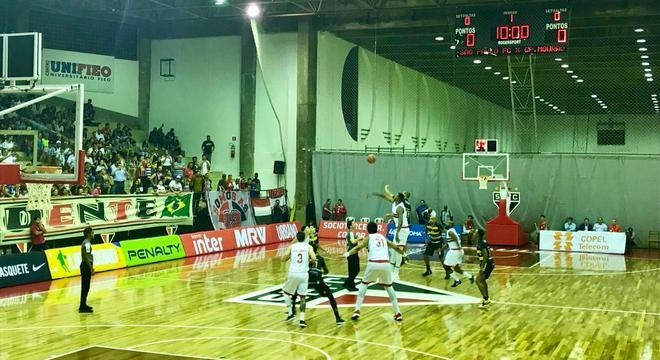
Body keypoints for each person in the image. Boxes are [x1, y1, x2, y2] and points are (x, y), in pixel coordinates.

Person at [343, 222, 407, 322]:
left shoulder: (369, 237)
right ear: (377, 229)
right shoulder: (382, 237)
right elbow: (395, 247)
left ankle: (357, 310)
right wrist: (404, 254)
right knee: (389, 287)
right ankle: (398, 312)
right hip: (386, 264)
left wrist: (347, 253)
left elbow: (358, 247)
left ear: (367, 230)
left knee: (364, 285)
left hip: (373, 263)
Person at [282, 231, 317, 328]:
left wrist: (286, 258)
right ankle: (302, 319)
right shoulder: (308, 247)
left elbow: (284, 258)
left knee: (286, 293)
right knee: (302, 297)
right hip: (303, 274)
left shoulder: (292, 247)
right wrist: (310, 261)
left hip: (293, 273)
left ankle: (290, 313)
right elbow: (314, 258)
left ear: (297, 238)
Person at [444, 223, 475, 287]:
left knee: (446, 267)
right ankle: (470, 277)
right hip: (458, 251)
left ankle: (457, 280)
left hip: (455, 251)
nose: (447, 222)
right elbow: (449, 242)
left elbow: (455, 238)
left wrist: (458, 246)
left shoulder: (450, 231)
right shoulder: (452, 230)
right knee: (456, 268)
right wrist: (442, 249)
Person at [388, 193, 409, 280]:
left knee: (398, 251)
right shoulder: (395, 203)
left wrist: (397, 233)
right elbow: (388, 196)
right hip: (398, 228)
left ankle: (396, 273)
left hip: (402, 229)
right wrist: (379, 193)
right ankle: (391, 271)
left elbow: (400, 222)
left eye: (396, 195)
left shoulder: (400, 207)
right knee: (393, 250)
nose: (394, 196)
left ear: (399, 198)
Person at [475, 229, 494, 307]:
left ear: (478, 235)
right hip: (490, 262)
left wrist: (482, 266)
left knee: (478, 280)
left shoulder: (480, 243)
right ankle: (487, 298)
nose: (473, 233)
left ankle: (485, 299)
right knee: (482, 280)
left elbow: (485, 254)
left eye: (475, 233)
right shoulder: (484, 241)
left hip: (487, 264)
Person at [79, 227, 95, 313]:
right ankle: (82, 306)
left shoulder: (86, 242)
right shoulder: (87, 243)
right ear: (89, 234)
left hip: (85, 265)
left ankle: (83, 304)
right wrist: (91, 268)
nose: (93, 234)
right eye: (92, 233)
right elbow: (86, 256)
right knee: (85, 286)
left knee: (86, 286)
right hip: (86, 266)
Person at [344, 219, 361, 291]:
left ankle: (348, 283)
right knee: (354, 270)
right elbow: (353, 242)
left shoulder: (352, 233)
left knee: (354, 270)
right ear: (350, 226)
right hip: (351, 253)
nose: (355, 224)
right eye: (354, 223)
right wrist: (359, 238)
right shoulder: (351, 233)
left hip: (353, 253)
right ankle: (350, 285)